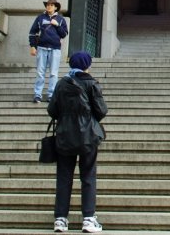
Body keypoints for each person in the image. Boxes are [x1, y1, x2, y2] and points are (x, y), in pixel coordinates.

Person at [47, 51, 107, 233]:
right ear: (87, 65)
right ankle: (88, 218)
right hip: (88, 136)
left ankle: (60, 219)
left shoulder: (61, 84)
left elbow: (52, 110)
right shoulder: (91, 84)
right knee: (88, 176)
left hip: (65, 136)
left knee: (64, 177)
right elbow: (101, 110)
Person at [29, 0, 69, 103]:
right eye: (48, 5)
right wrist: (33, 46)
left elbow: (64, 34)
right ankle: (38, 94)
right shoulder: (40, 18)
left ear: (56, 7)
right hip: (42, 47)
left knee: (53, 73)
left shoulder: (60, 19)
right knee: (40, 72)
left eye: (51, 5)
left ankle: (51, 94)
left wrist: (57, 25)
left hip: (55, 48)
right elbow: (33, 32)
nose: (49, 6)